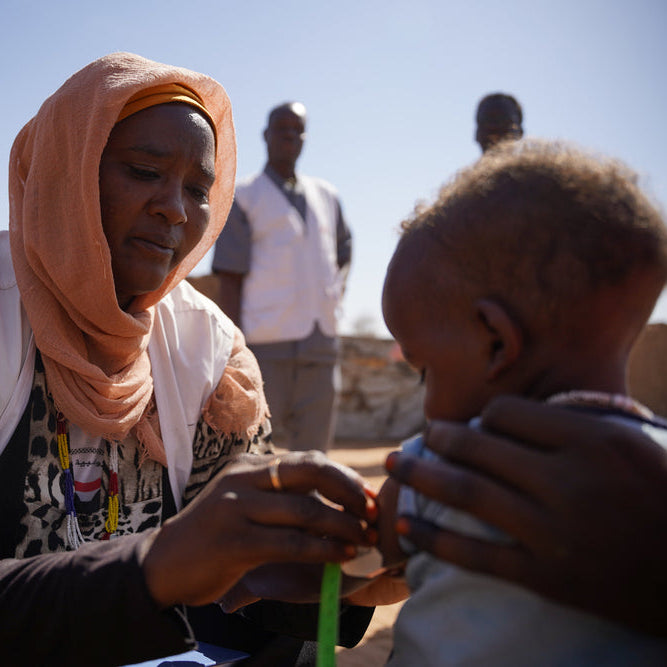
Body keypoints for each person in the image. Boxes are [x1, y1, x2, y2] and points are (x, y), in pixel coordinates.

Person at [0, 53, 378, 667]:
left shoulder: (205, 345)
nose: (176, 209)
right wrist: (151, 567)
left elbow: (237, 552)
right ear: (66, 173)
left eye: (200, 189)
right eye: (146, 171)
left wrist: (369, 563)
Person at [374, 140, 667, 665]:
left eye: (424, 369)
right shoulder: (657, 475)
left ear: (495, 342)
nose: (427, 396)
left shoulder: (446, 465)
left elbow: (368, 541)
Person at [211, 101, 351, 452]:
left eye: (298, 129)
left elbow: (344, 250)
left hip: (321, 342)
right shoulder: (243, 196)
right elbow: (229, 276)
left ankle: (309, 506)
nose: (290, 136)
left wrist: (335, 294)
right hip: (265, 343)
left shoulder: (327, 196)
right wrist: (232, 349)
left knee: (314, 451)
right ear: (265, 136)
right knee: (258, 447)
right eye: (282, 129)